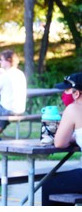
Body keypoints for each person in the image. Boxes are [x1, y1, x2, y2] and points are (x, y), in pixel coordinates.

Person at [41, 72, 82, 205]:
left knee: (48, 184)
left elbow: (59, 143)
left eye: (66, 90)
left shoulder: (74, 109)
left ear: (77, 94)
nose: (63, 94)